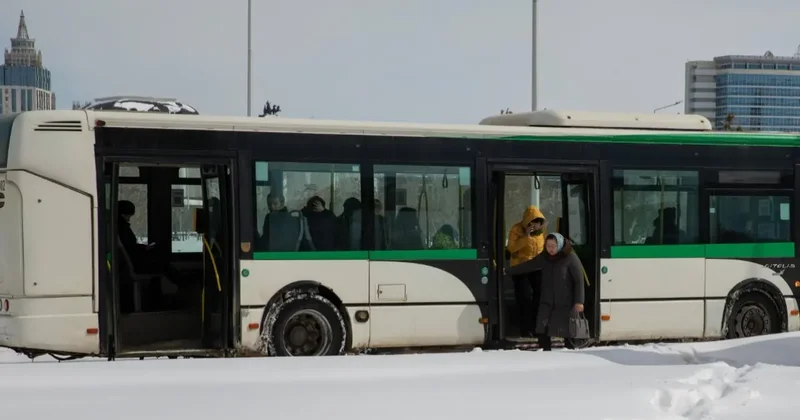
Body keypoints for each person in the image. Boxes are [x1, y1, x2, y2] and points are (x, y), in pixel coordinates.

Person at [506, 232, 586, 351]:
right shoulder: (544, 257)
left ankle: (570, 355)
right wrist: (508, 271)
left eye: (553, 246)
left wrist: (579, 301)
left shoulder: (570, 257)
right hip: (547, 300)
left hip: (565, 302)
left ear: (559, 244)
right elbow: (529, 265)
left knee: (567, 330)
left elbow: (579, 280)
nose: (550, 249)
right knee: (542, 328)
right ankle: (545, 354)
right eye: (548, 246)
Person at [506, 206, 546, 337]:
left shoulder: (541, 234)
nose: (535, 225)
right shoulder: (516, 230)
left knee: (539, 296)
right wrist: (526, 236)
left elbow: (542, 250)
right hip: (520, 267)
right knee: (524, 298)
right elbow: (511, 248)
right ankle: (525, 329)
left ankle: (536, 327)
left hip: (536, 268)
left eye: (538, 222)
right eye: (532, 222)